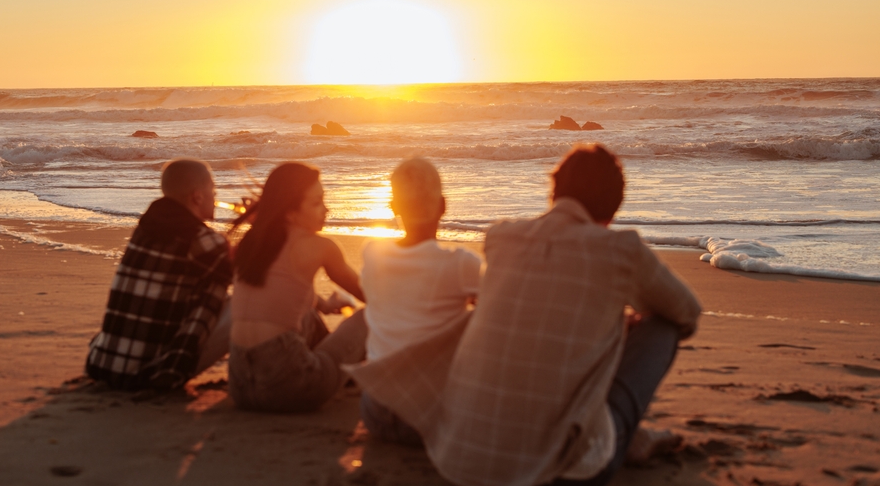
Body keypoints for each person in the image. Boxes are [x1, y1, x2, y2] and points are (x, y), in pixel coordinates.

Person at [349, 143, 702, 486]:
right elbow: (686, 312)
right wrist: (622, 321)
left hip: (462, 459)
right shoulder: (621, 249)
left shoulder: (502, 237)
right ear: (613, 209)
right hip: (563, 470)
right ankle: (622, 434)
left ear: (553, 195)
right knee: (662, 328)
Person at [359, 158, 482, 445]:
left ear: (393, 207)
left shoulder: (372, 254)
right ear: (443, 206)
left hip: (375, 410)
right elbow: (502, 309)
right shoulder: (460, 264)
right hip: (430, 415)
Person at [227, 162, 368, 413]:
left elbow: (279, 292)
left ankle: (345, 376)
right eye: (316, 203)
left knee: (309, 316)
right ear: (290, 213)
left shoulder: (253, 241)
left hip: (241, 385)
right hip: (292, 386)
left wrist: (324, 304)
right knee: (371, 316)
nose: (326, 209)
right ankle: (371, 375)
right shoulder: (319, 246)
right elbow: (371, 295)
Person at [86, 159, 233, 391]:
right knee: (239, 300)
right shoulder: (200, 240)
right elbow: (256, 275)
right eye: (213, 190)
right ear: (197, 197)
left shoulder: (145, 228)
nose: (216, 197)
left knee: (211, 284)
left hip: (103, 363)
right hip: (148, 373)